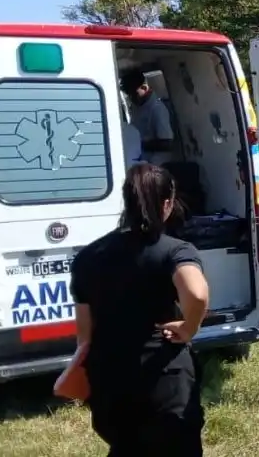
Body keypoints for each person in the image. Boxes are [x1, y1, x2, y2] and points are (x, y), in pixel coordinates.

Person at [69, 163, 210, 456]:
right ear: (168, 203)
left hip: (110, 379)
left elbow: (84, 335)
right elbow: (196, 294)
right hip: (163, 378)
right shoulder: (175, 250)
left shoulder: (86, 257)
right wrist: (189, 327)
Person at [119, 70, 175, 166]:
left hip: (155, 164)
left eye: (133, 94)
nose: (131, 98)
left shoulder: (157, 109)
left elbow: (167, 143)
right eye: (129, 95)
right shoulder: (136, 107)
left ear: (144, 88)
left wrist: (139, 144)